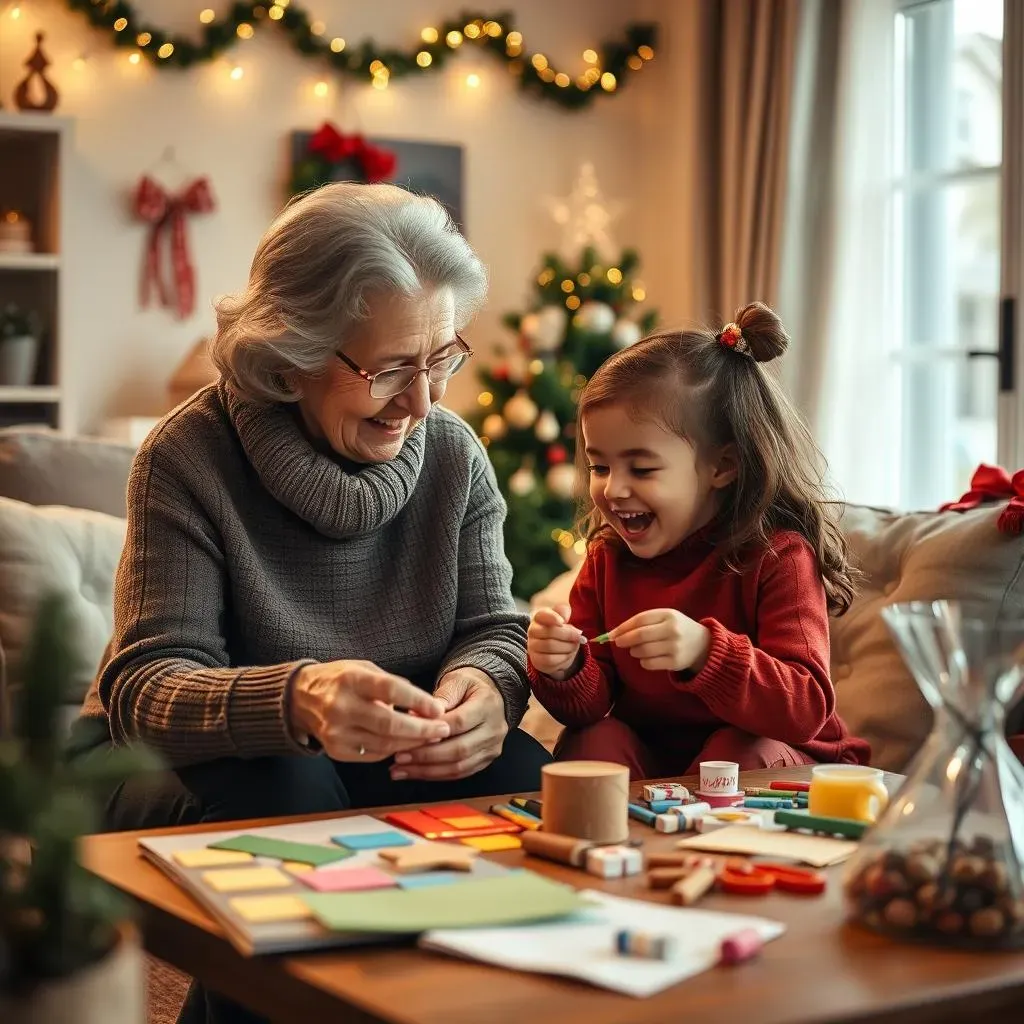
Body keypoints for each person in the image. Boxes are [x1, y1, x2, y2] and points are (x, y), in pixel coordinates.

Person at [526, 301, 871, 780]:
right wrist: (564, 666)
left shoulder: (779, 557)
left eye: (641, 468)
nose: (612, 488)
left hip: (781, 760)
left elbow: (804, 707)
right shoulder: (608, 559)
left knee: (734, 751)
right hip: (661, 770)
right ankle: (603, 849)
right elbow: (588, 708)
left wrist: (706, 651)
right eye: (600, 466)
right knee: (594, 740)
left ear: (721, 467)